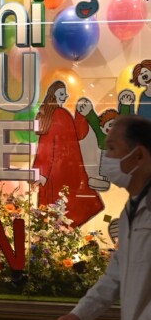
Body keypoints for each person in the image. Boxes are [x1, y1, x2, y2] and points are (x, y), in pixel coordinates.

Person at [53, 115, 151, 320]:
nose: (105, 157)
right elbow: (116, 275)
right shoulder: (131, 211)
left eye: (112, 148)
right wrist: (79, 315)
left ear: (138, 155)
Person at [33, 80, 104, 226]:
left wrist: (81, 114)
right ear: (54, 96)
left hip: (62, 169)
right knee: (64, 206)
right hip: (61, 171)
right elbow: (47, 145)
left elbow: (73, 135)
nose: (65, 96)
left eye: (64, 93)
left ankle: (60, 232)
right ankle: (61, 232)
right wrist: (43, 172)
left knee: (60, 207)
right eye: (61, 93)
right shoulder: (58, 114)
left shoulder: (56, 115)